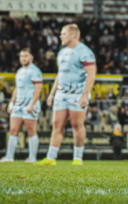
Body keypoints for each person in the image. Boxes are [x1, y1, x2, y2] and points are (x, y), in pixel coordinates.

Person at [36, 24, 96, 166]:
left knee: (77, 125)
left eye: (63, 34)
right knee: (57, 125)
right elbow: (60, 74)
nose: (61, 36)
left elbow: (91, 75)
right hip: (61, 94)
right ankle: (51, 158)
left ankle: (77, 158)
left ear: (73, 35)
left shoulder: (85, 52)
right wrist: (52, 93)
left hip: (77, 93)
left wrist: (84, 95)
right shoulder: (62, 52)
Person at [0, 48, 43, 163]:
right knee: (13, 130)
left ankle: (32, 157)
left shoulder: (35, 71)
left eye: (26, 56)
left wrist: (32, 105)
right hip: (18, 105)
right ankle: (9, 156)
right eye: (21, 56)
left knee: (31, 130)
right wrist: (11, 102)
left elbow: (38, 90)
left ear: (31, 57)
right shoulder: (19, 71)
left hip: (29, 105)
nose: (23, 58)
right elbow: (16, 88)